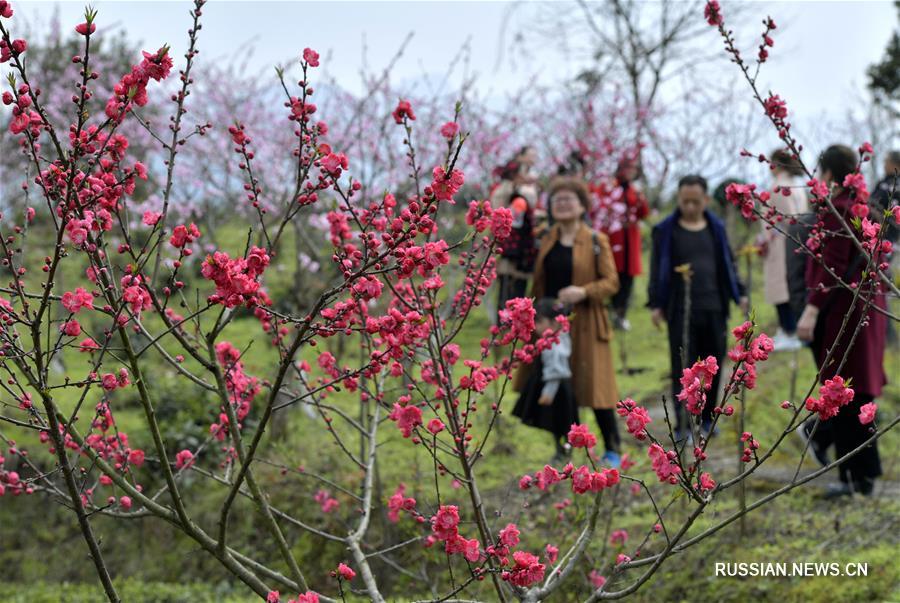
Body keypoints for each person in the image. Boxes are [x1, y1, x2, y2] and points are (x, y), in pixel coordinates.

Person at [796, 144, 887, 498]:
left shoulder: (837, 213)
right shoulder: (867, 212)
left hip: (844, 315)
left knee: (843, 395)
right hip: (868, 312)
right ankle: (861, 473)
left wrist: (812, 308)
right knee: (856, 393)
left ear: (830, 174)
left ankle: (854, 477)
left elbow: (831, 269)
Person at [513, 177, 623, 466]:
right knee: (558, 384)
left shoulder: (596, 240)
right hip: (552, 326)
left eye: (568, 199)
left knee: (597, 390)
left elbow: (612, 282)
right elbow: (537, 282)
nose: (561, 204)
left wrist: (584, 291)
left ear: (583, 205)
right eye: (556, 199)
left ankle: (612, 448)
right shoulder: (546, 238)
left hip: (586, 322)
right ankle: (563, 446)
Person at [648, 175, 748, 441]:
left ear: (705, 200)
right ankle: (683, 423)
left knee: (712, 365)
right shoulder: (666, 230)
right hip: (680, 309)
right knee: (683, 367)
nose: (690, 207)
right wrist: (656, 304)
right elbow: (657, 269)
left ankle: (706, 419)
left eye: (695, 201)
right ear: (678, 199)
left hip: (714, 306)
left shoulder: (715, 228)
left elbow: (728, 263)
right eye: (685, 201)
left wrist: (740, 293)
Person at [512, 298, 579, 462]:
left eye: (540, 322)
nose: (537, 326)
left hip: (556, 389)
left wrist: (548, 392)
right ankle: (561, 450)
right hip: (558, 387)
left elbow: (556, 371)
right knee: (559, 423)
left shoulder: (553, 344)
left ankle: (564, 451)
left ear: (554, 323)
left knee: (561, 422)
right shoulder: (560, 337)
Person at [758, 149, 808, 351]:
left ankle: (789, 331)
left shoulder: (778, 186)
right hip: (796, 240)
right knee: (790, 285)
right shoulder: (797, 186)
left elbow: (785, 217)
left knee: (780, 288)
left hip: (780, 241)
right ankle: (787, 329)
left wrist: (764, 239)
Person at [593, 157, 650, 331]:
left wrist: (641, 198)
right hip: (613, 237)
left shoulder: (635, 190)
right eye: (628, 168)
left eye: (633, 168)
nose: (630, 172)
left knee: (627, 278)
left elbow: (643, 212)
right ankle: (607, 312)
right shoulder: (608, 187)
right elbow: (598, 208)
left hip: (629, 239)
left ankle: (621, 314)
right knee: (611, 274)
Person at [491, 154, 540, 319]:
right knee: (507, 289)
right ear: (515, 175)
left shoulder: (521, 191)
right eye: (524, 172)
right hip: (510, 248)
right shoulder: (505, 190)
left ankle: (512, 322)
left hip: (521, 249)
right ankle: (503, 323)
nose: (527, 177)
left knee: (518, 288)